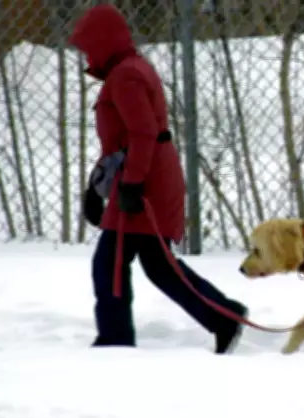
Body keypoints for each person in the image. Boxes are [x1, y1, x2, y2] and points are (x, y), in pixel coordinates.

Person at [68, 4, 249, 354]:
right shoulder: (127, 71)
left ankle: (115, 339)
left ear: (104, 42)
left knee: (112, 263)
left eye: (89, 46)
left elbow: (142, 133)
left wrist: (133, 184)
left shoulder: (126, 76)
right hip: (143, 178)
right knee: (156, 265)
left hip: (145, 184)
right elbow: (120, 142)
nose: (86, 55)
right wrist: (96, 187)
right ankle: (223, 316)